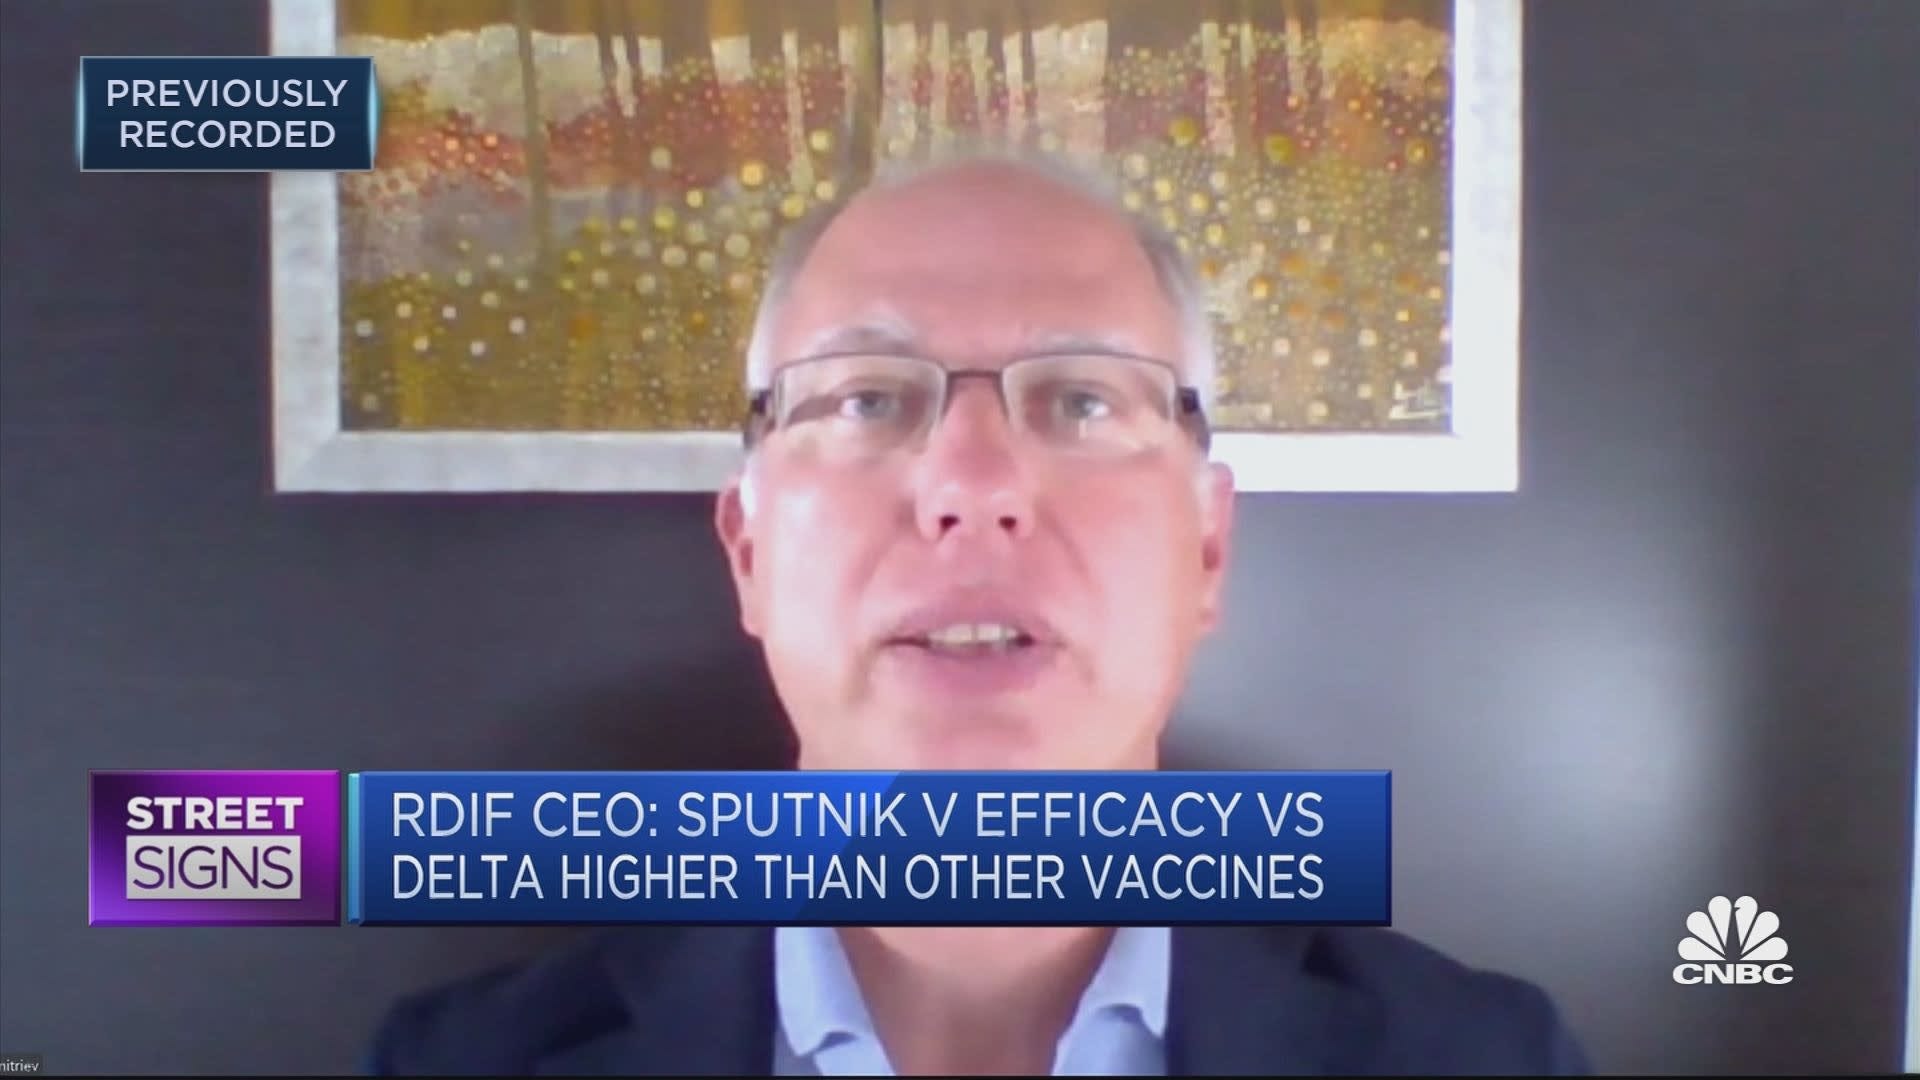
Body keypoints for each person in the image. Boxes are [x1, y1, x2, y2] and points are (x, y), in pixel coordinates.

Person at [367, 149, 1592, 1076]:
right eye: (865, 399)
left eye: (1081, 401)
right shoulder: (457, 1064)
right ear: (748, 553)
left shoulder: (1485, 1058)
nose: (972, 486)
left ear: (1208, 549)